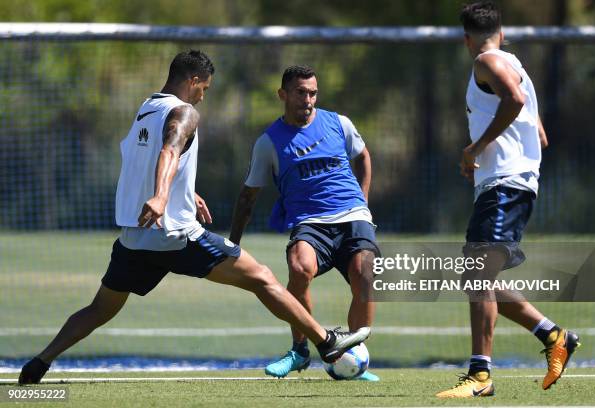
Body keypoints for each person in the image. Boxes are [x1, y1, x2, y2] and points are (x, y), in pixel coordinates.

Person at [18, 51, 370, 385]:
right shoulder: (185, 112)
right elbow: (171, 149)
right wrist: (160, 196)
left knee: (99, 309)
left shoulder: (146, 109)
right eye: (204, 88)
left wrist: (183, 193)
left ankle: (41, 361)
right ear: (194, 80)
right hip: (176, 235)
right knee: (263, 278)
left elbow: (146, 159)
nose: (203, 96)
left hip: (134, 237)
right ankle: (326, 342)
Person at [435, 2, 579, 398]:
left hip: (506, 184)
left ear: (466, 38)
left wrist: (476, 147)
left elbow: (513, 102)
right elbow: (540, 136)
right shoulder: (516, 64)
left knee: (477, 275)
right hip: (507, 182)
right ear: (501, 30)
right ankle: (553, 335)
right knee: (476, 276)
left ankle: (480, 375)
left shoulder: (487, 62)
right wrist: (486, 158)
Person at [229, 66, 379, 381]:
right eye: (300, 92)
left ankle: (354, 358)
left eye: (312, 92)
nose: (307, 99)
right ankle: (300, 351)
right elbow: (248, 196)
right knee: (299, 268)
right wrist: (233, 244)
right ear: (283, 95)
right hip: (310, 221)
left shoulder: (339, 123)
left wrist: (363, 204)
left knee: (366, 273)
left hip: (352, 214)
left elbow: (363, 156)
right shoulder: (268, 143)